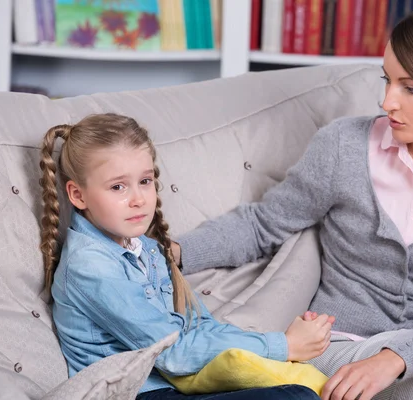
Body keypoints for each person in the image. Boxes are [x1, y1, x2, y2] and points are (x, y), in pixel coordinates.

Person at [172, 3, 413, 400]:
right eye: (387, 80)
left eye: (410, 88)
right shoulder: (344, 146)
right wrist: (175, 250)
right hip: (341, 348)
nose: (387, 101)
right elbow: (264, 224)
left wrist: (394, 358)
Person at [38, 113, 333, 400]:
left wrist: (276, 352)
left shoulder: (146, 249)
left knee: (304, 390)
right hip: (142, 393)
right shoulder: (91, 266)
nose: (139, 199)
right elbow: (173, 353)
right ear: (78, 195)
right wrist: (283, 345)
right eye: (118, 187)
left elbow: (199, 326)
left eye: (145, 181)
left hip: (183, 385)